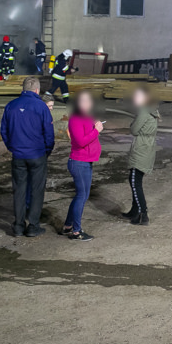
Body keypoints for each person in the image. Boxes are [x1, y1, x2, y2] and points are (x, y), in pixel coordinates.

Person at [1, 77, 55, 237]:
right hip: (37, 154)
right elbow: (49, 134)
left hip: (18, 155)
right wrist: (46, 151)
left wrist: (13, 148)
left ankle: (18, 226)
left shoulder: (11, 106)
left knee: (19, 190)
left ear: (22, 89)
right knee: (37, 190)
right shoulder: (41, 107)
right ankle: (33, 226)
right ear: (37, 90)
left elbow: (4, 131)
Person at [61, 90, 103, 241]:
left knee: (82, 196)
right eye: (83, 101)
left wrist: (96, 126)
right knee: (81, 196)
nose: (87, 104)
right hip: (79, 162)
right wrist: (96, 131)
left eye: (88, 101)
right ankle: (76, 231)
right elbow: (81, 141)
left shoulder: (87, 116)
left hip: (87, 161)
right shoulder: (75, 119)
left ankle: (68, 226)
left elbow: (91, 134)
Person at [121, 87, 160, 226]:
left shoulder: (144, 111)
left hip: (141, 150)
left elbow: (134, 129)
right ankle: (134, 210)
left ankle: (143, 214)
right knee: (134, 179)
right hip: (147, 149)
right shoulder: (152, 110)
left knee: (134, 181)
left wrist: (133, 124)